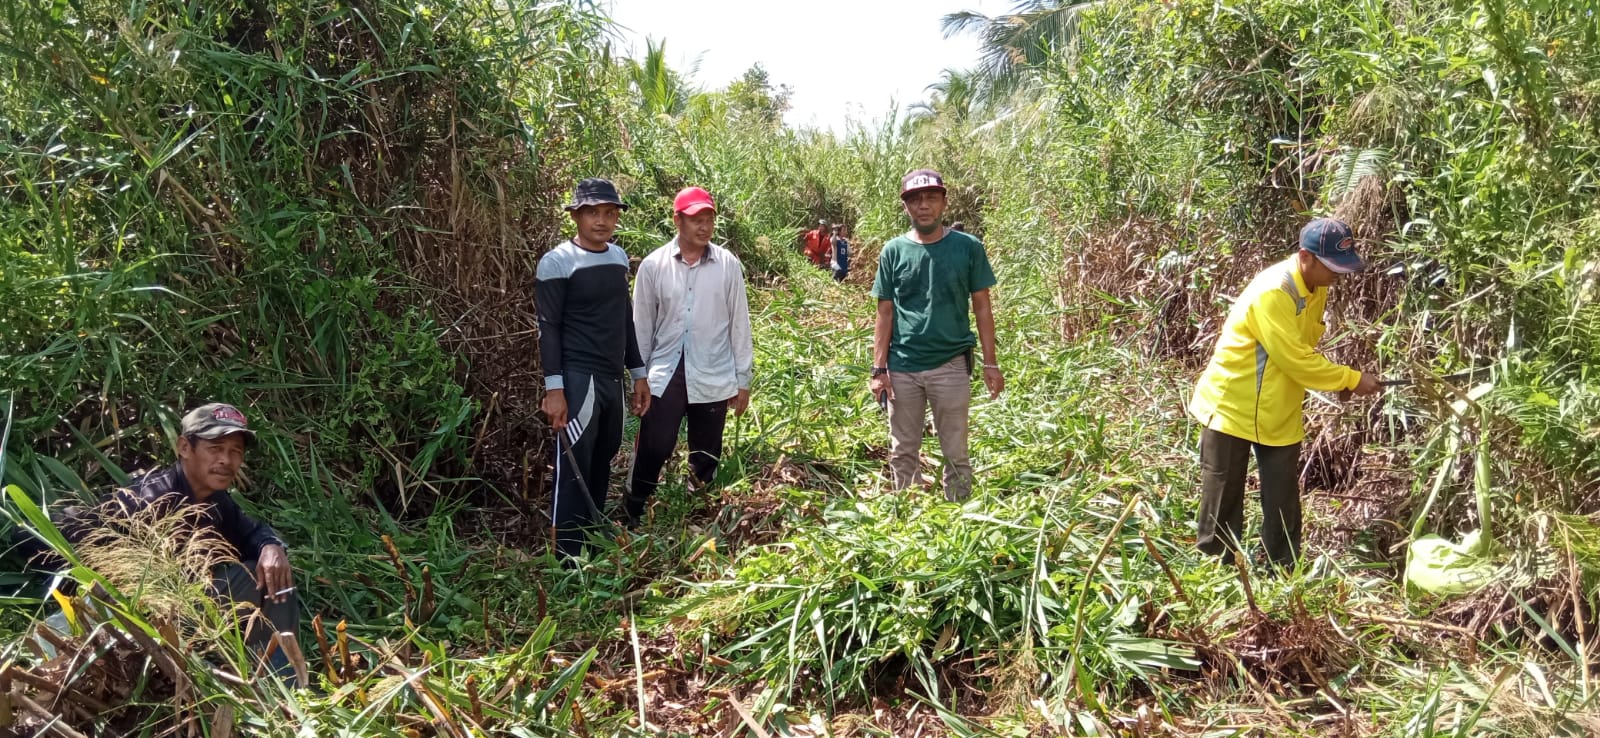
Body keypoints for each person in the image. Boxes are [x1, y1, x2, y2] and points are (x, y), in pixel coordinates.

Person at [1187, 217, 1383, 570]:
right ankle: (1213, 577)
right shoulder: (1274, 292)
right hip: (1232, 406)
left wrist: (1339, 382)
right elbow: (1296, 359)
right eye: (1333, 267)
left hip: (1278, 410)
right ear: (1305, 257)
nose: (1339, 275)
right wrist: (1350, 379)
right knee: (1222, 499)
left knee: (1283, 501)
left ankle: (1282, 572)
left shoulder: (1317, 288)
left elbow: (1303, 352)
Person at [107, 404, 297, 656]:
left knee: (272, 576)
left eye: (235, 451)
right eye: (215, 449)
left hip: (191, 606)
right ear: (184, 447)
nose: (226, 461)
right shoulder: (149, 500)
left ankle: (284, 681)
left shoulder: (215, 499)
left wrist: (271, 545)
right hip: (144, 623)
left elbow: (249, 532)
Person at [869, 169, 1003, 502]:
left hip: (951, 366)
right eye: (915, 200)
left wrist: (991, 364)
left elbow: (983, 308)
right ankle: (909, 518)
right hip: (902, 367)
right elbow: (884, 312)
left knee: (956, 451)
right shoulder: (893, 251)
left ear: (944, 202)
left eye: (931, 198)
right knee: (903, 451)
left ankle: (957, 516)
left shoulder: (967, 248)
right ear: (906, 207)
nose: (923, 206)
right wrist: (878, 369)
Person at [625, 187, 754, 527]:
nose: (704, 226)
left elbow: (739, 323)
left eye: (709, 219)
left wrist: (743, 380)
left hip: (713, 368)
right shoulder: (653, 266)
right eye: (696, 219)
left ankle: (696, 515)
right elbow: (641, 326)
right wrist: (638, 376)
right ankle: (634, 508)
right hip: (667, 371)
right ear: (677, 220)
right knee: (655, 444)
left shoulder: (727, 265)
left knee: (706, 451)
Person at [536, 177, 650, 559]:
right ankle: (566, 559)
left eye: (609, 213)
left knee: (605, 454)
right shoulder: (558, 262)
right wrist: (555, 389)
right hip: (578, 376)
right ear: (575, 216)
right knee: (574, 465)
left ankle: (591, 545)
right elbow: (548, 328)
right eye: (592, 213)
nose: (601, 221)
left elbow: (624, 317)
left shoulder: (617, 258)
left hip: (610, 376)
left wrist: (638, 374)